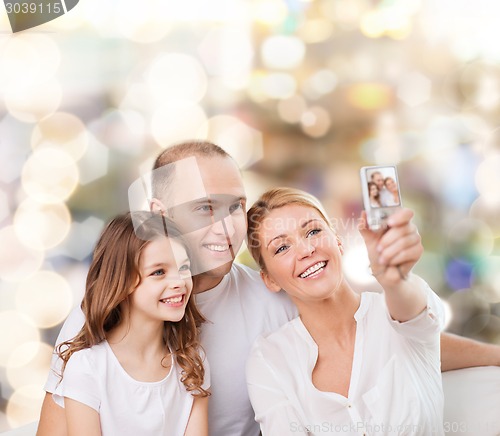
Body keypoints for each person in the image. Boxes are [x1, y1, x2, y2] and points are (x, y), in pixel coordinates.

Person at [38, 141, 500, 436]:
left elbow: (393, 338)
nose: (226, 226)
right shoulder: (107, 308)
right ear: (158, 211)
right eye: (204, 208)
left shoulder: (274, 299)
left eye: (236, 206)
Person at [246, 187, 444, 435]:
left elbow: (413, 312)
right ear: (270, 280)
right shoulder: (270, 358)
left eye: (313, 231)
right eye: (282, 248)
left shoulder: (397, 310)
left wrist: (393, 278)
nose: (306, 250)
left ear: (337, 240)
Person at [51, 211, 210, 436]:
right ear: (122, 281)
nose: (179, 282)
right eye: (158, 272)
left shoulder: (191, 362)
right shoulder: (88, 367)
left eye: (184, 268)